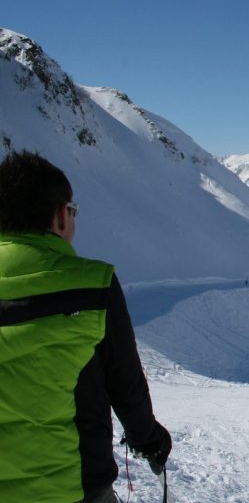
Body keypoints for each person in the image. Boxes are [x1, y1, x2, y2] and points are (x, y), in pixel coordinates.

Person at [0, 151, 171, 503]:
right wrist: (148, 438)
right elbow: (124, 383)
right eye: (72, 211)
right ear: (62, 215)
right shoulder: (92, 287)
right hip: (73, 487)